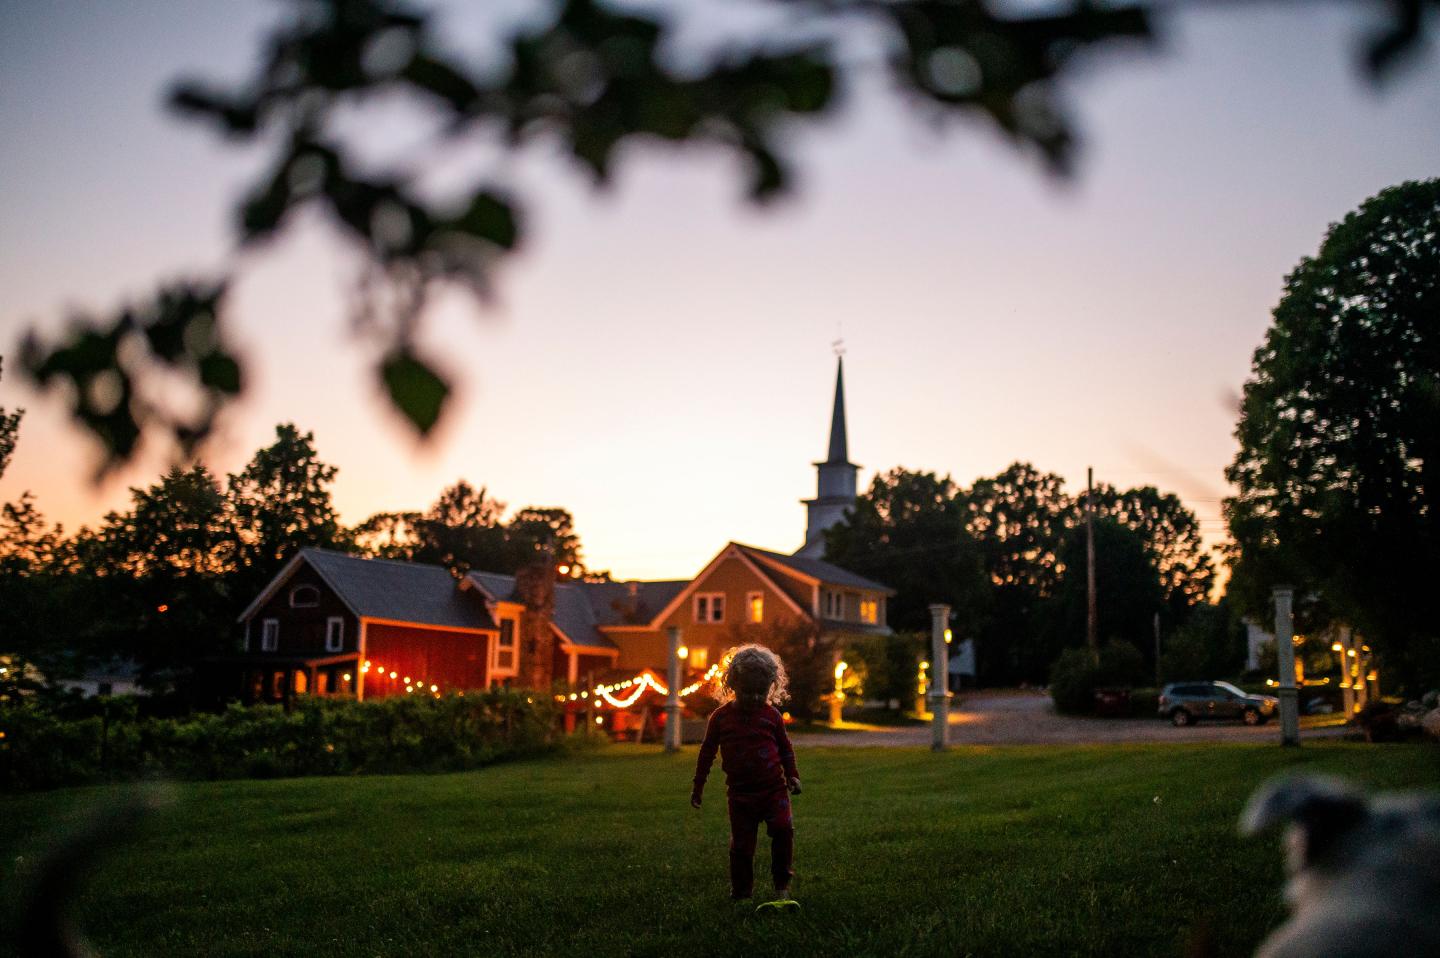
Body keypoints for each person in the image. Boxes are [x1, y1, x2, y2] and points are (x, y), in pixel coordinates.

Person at [690, 644, 802, 905]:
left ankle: (781, 886)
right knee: (741, 847)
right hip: (740, 796)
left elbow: (785, 748)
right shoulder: (720, 719)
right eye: (746, 691)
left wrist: (792, 775)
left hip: (774, 790)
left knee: (783, 831)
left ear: (771, 687)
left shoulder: (772, 716)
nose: (753, 697)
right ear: (732, 685)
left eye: (760, 692)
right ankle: (741, 893)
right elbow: (707, 753)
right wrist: (698, 786)